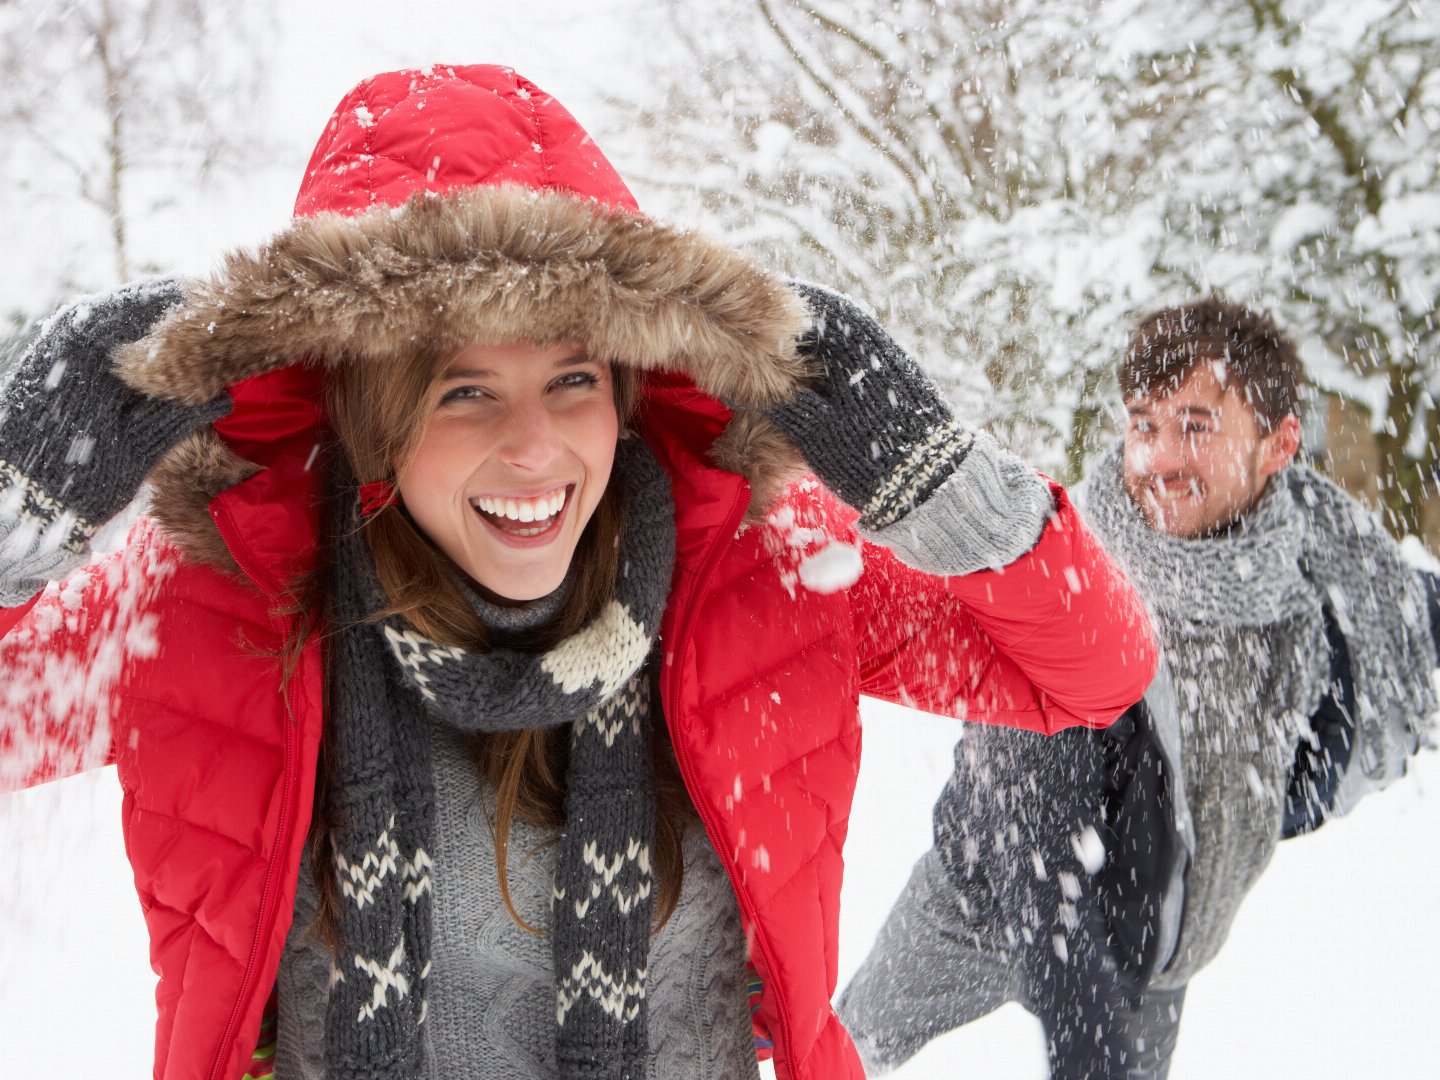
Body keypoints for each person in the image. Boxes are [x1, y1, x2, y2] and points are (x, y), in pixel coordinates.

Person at [0, 65, 1157, 1080]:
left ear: (627, 385)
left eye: (573, 380)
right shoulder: (218, 597)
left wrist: (938, 482)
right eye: (463, 390)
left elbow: (1086, 671)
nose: (538, 448)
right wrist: (16, 515)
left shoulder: (761, 567)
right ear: (370, 415)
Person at [838, 297, 1440, 1079]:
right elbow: (1032, 851)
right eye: (1143, 425)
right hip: (987, 898)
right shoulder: (1069, 580)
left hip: (1156, 939)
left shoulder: (1309, 569)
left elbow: (1403, 619)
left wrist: (1259, 812)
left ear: (1279, 446)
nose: (1158, 458)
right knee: (837, 1056)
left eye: (1196, 426)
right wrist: (1091, 1047)